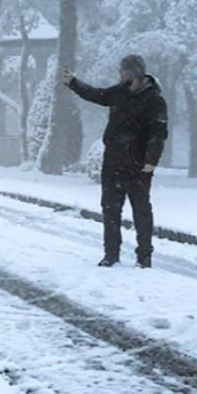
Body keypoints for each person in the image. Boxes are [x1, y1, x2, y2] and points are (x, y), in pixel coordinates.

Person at [62, 55, 168, 268]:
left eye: (123, 71)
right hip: (113, 162)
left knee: (141, 212)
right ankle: (111, 254)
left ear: (134, 73)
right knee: (110, 210)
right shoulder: (118, 93)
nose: (119, 74)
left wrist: (151, 160)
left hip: (139, 165)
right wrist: (73, 83)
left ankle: (144, 257)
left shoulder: (154, 100)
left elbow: (159, 133)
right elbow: (96, 94)